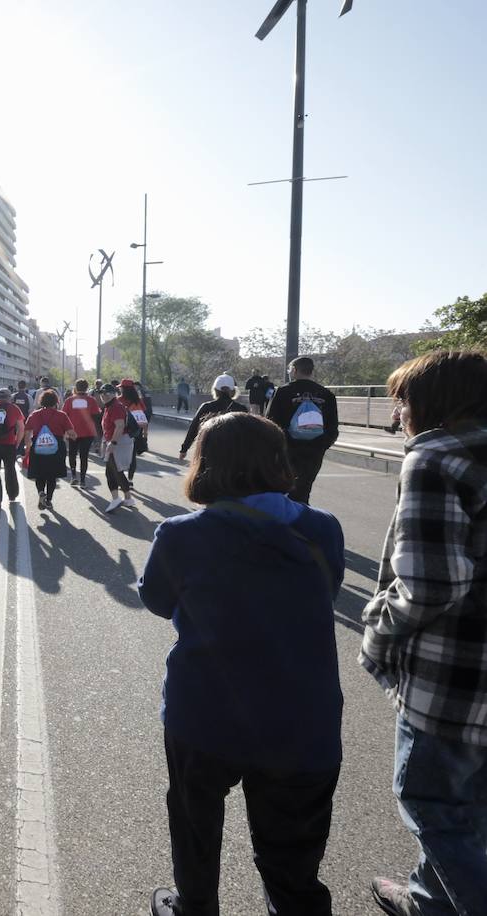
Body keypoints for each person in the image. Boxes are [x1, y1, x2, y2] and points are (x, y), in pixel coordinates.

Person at [139, 411, 344, 916]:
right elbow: (327, 591)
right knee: (292, 859)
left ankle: (196, 906)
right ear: (279, 462)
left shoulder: (181, 534)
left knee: (195, 827)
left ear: (205, 464)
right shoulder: (322, 529)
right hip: (302, 719)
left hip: (205, 713)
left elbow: (157, 600)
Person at [361, 350, 487, 916]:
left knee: (432, 806)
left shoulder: (437, 459)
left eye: (403, 400)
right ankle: (428, 899)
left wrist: (377, 634)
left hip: (453, 676)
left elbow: (430, 586)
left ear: (434, 401)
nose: (398, 414)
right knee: (473, 802)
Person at [265, 357, 339, 505]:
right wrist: (322, 444)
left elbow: (270, 421)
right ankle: (303, 518)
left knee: (285, 487)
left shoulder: (283, 392)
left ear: (294, 370)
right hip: (315, 449)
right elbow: (333, 426)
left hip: (288, 448)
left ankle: (287, 519)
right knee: (304, 488)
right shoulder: (326, 394)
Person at [23, 390, 76, 510]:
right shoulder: (62, 415)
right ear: (56, 401)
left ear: (41, 401)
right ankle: (48, 499)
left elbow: (27, 432)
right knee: (52, 475)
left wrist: (28, 445)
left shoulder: (34, 414)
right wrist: (72, 437)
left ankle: (41, 492)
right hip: (56, 448)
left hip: (38, 446)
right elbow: (71, 433)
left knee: (39, 474)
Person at [178, 375, 247, 461]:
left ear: (215, 390)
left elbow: (194, 428)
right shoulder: (241, 409)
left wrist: (184, 449)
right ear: (233, 390)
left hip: (209, 454)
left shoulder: (206, 407)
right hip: (234, 455)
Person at [100, 384, 137, 513]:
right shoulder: (110, 406)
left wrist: (113, 443)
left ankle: (119, 498)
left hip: (119, 441)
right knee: (113, 471)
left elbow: (120, 426)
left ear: (113, 394)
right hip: (115, 441)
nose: (103, 395)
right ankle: (126, 498)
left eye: (107, 393)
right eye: (102, 393)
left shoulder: (115, 407)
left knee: (115, 470)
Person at [62, 380, 101, 488]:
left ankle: (74, 476)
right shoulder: (91, 400)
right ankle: (83, 480)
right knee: (84, 456)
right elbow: (96, 415)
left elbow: (64, 416)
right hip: (88, 432)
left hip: (73, 431)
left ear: (76, 387)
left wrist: (64, 431)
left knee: (72, 454)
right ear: (87, 387)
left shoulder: (70, 400)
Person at [120, 380, 150, 485]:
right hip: (135, 433)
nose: (120, 389)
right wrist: (145, 435)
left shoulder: (119, 400)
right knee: (132, 457)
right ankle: (130, 480)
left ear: (124, 389)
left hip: (121, 433)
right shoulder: (138, 401)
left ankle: (122, 479)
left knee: (121, 457)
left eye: (121, 387)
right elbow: (144, 420)